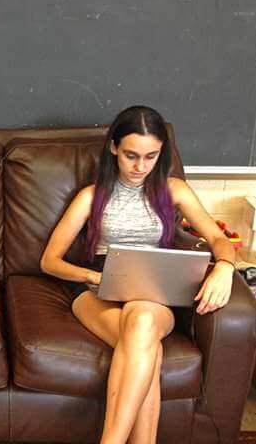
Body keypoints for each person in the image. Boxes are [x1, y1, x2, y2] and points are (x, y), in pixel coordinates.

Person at [40, 105, 235, 444]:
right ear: (114, 147)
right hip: (97, 288)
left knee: (141, 321)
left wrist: (225, 267)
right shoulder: (91, 196)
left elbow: (219, 239)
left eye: (151, 157)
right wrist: (97, 277)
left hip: (153, 291)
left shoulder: (175, 190)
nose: (140, 167)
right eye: (131, 155)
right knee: (147, 350)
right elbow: (49, 261)